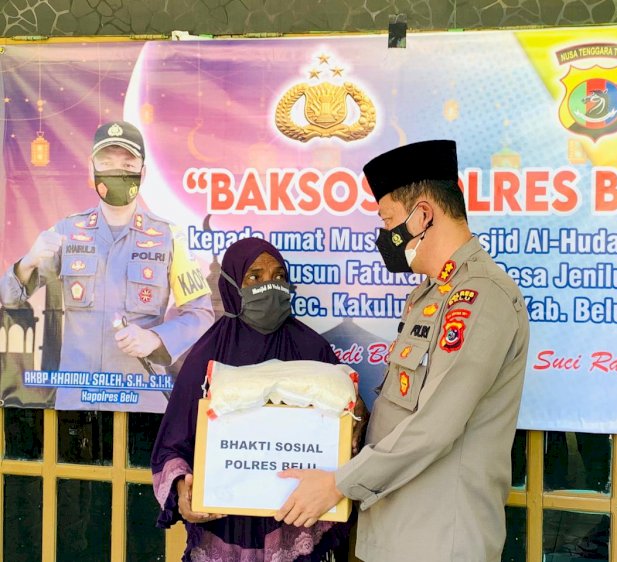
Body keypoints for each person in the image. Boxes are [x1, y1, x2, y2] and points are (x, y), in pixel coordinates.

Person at [274, 139, 530, 561]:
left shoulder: (479, 297)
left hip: (438, 538)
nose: (384, 235)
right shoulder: (429, 295)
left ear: (423, 214)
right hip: (398, 526)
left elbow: (435, 425)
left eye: (389, 219)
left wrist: (338, 483)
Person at [151, 237, 356, 562]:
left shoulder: (312, 349)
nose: (269, 286)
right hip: (223, 534)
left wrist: (353, 427)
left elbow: (347, 432)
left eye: (278, 277)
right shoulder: (207, 355)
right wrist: (183, 491)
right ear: (233, 286)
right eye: (255, 277)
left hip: (295, 529)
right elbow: (172, 446)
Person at [0, 120, 214, 411]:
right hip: (77, 400)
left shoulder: (168, 236)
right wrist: (28, 261)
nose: (118, 171)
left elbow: (201, 314)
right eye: (107, 162)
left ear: (143, 171)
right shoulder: (67, 231)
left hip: (141, 400)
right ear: (91, 168)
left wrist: (155, 338)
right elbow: (9, 297)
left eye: (128, 165)